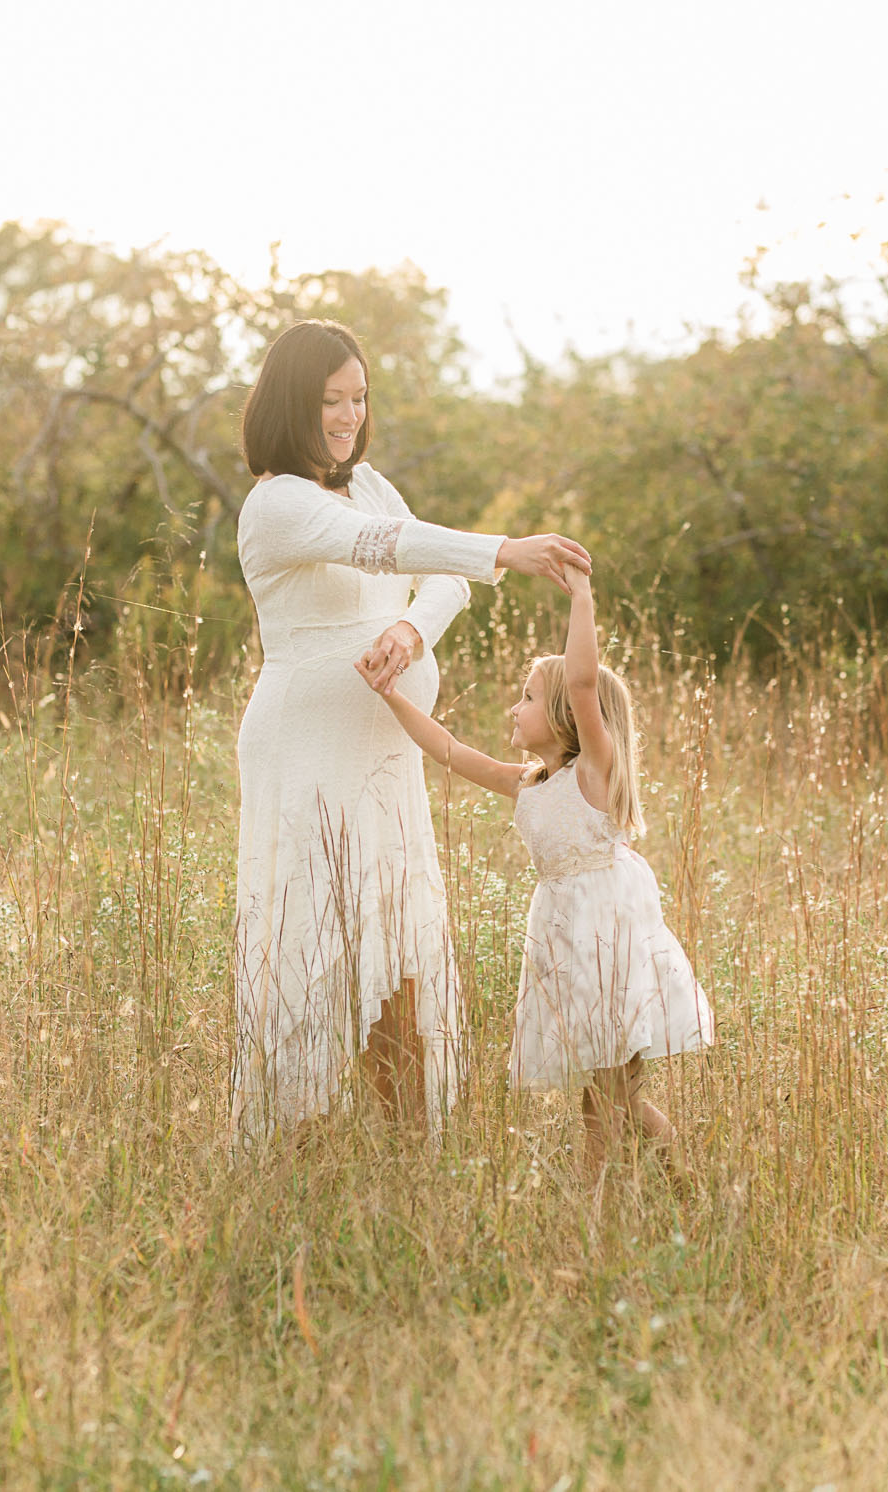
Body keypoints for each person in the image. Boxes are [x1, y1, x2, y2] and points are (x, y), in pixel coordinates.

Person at [233, 318, 591, 1142]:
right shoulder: (279, 503)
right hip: (308, 745)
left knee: (392, 940)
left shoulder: (367, 481)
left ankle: (405, 1148)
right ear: (293, 402)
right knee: (315, 940)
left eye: (358, 398)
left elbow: (440, 581)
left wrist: (409, 633)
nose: (347, 417)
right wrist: (506, 547)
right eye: (330, 400)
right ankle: (299, 1140)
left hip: (384, 752)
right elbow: (385, 548)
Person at [359, 562, 714, 1178]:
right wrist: (391, 695)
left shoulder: (594, 774)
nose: (513, 707)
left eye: (526, 698)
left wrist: (582, 596)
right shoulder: (528, 784)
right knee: (615, 1096)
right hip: (564, 940)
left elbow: (582, 682)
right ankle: (687, 1183)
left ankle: (595, 1196)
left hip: (611, 942)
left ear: (564, 715)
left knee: (606, 1099)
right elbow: (447, 749)